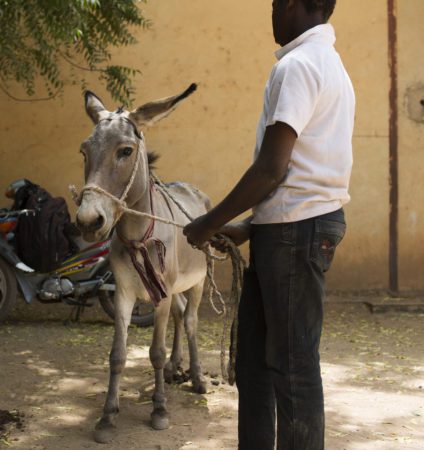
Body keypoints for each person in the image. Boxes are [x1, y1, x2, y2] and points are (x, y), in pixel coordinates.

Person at [183, 0, 354, 449]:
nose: (272, 12)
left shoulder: (298, 66)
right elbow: (304, 171)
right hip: (290, 228)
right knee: (255, 363)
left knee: (293, 367)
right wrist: (251, 226)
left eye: (275, 3)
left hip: (297, 233)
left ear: (293, 3)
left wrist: (208, 222)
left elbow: (271, 169)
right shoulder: (328, 63)